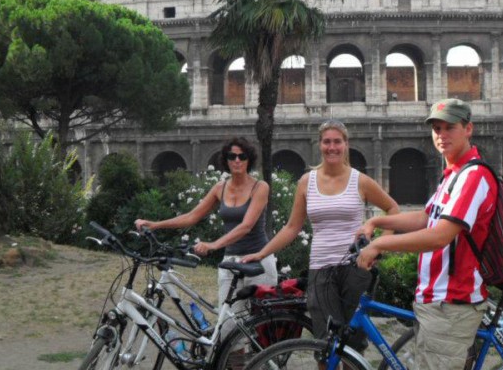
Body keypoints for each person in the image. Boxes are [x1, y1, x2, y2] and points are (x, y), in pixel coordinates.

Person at [356, 98, 498, 370]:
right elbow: (425, 218)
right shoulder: (453, 175)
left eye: (449, 127)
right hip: (437, 301)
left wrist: (381, 244)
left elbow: (439, 236)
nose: (441, 135)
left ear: (468, 129)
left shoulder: (473, 176)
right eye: (436, 128)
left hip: (451, 302)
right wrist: (376, 223)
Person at [242, 119, 399, 353]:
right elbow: (292, 227)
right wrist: (263, 253)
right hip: (321, 269)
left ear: (346, 145)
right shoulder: (307, 181)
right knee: (324, 343)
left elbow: (393, 209)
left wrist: (380, 246)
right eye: (327, 142)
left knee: (354, 344)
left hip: (356, 267)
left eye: (337, 141)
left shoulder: (360, 181)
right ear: (320, 145)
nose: (332, 147)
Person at [135, 137, 277, 318]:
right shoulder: (220, 188)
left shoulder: (260, 187)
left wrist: (213, 245)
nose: (237, 160)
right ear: (226, 159)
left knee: (262, 323)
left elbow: (246, 226)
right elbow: (192, 216)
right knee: (227, 327)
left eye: (242, 156)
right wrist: (155, 225)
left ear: (249, 159)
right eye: (232, 156)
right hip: (231, 260)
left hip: (259, 260)